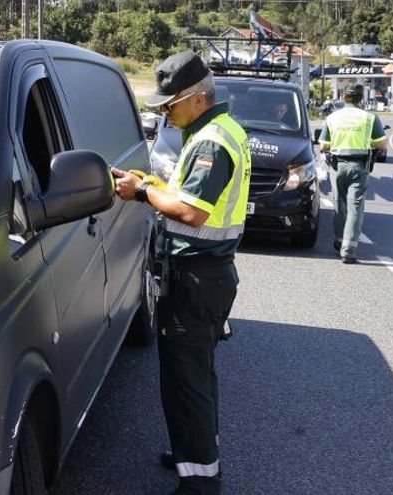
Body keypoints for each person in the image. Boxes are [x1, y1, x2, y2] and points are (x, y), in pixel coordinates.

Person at [112, 51, 251, 495]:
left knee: (186, 381)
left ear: (194, 98)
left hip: (197, 276)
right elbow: (188, 193)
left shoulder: (210, 141)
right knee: (197, 373)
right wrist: (153, 184)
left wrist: (142, 191)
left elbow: (191, 211)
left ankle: (200, 482)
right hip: (206, 275)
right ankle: (197, 451)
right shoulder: (215, 130)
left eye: (168, 106)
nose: (165, 115)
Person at [318, 84, 387, 264]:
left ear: (344, 98)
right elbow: (382, 145)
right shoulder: (369, 118)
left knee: (339, 204)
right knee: (355, 207)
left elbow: (324, 146)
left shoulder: (332, 117)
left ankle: (339, 241)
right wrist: (369, 144)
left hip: (337, 165)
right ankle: (348, 251)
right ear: (361, 99)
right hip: (359, 165)